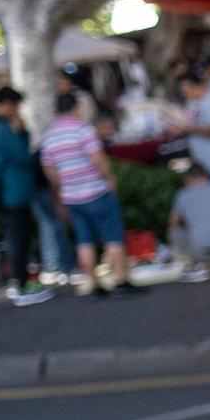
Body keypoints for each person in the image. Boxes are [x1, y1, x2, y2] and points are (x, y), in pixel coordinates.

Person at [40, 91, 139, 298]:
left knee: (84, 241)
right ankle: (120, 280)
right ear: (76, 107)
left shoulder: (49, 136)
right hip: (96, 190)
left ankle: (93, 283)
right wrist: (110, 178)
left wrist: (62, 189)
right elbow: (97, 158)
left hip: (71, 196)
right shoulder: (83, 130)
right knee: (112, 237)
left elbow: (50, 170)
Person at [0, 87, 53, 306]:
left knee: (18, 237)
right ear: (6, 104)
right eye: (15, 105)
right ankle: (20, 285)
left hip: (10, 192)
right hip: (14, 193)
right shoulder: (1, 129)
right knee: (19, 238)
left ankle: (20, 282)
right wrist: (22, 131)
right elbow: (23, 155)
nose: (18, 110)